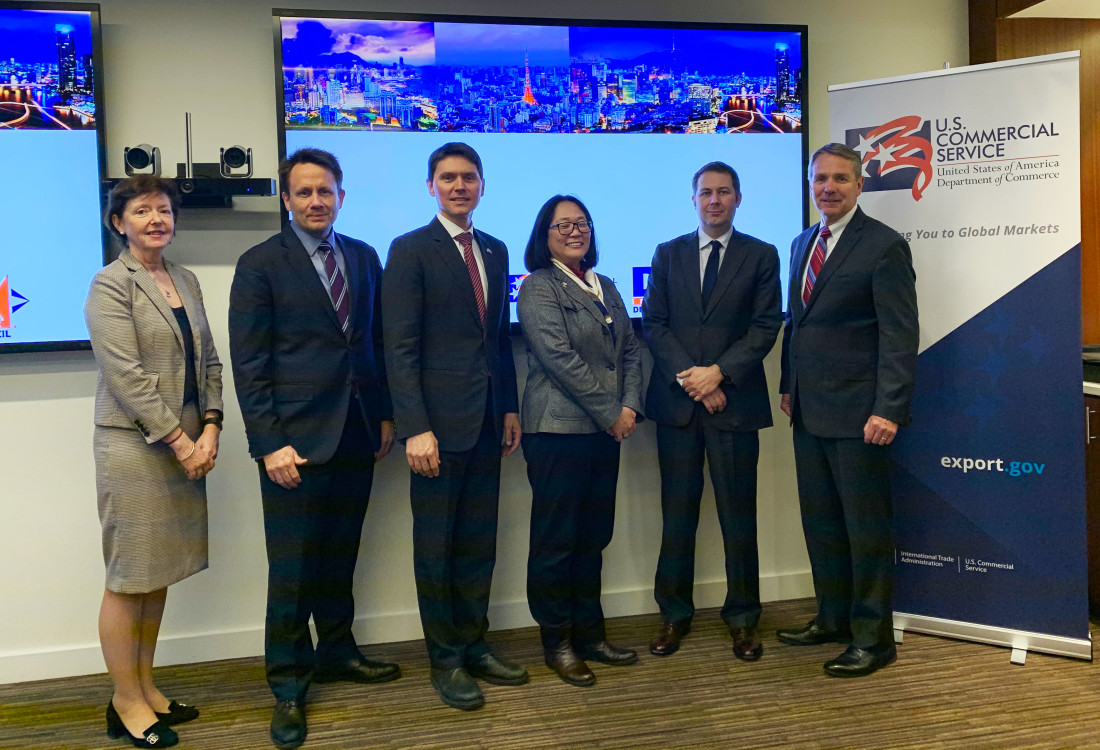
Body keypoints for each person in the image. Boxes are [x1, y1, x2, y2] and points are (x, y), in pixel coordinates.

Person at [229, 148, 398, 749]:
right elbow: (249, 367)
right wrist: (268, 444)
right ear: (286, 199)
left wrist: (383, 417)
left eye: (325, 192)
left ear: (341, 197)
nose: (315, 202)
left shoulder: (363, 256)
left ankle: (338, 651)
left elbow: (372, 343)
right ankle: (288, 684)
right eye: (303, 193)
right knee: (293, 570)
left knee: (341, 554)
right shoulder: (259, 264)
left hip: (356, 432)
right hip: (294, 444)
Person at [382, 142, 526, 711]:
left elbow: (496, 340)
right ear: (431, 187)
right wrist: (415, 426)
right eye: (448, 178)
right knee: (436, 549)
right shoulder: (411, 250)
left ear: (482, 185)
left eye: (468, 178)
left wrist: (510, 405)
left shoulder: (494, 248)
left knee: (478, 546)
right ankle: (445, 659)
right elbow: (400, 347)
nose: (459, 186)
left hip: (488, 423)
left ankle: (474, 644)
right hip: (436, 431)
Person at [85, 176, 222, 749]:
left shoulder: (185, 279)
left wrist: (211, 426)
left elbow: (210, 360)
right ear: (119, 222)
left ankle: (145, 687)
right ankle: (124, 702)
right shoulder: (111, 285)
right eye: (141, 210)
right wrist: (181, 441)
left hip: (187, 442)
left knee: (157, 574)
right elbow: (128, 379)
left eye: (163, 209)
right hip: (135, 448)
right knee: (128, 578)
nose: (155, 219)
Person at [777, 142, 918, 678]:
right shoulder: (802, 243)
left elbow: (900, 335)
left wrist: (890, 409)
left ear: (860, 185)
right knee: (823, 527)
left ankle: (873, 638)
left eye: (840, 179)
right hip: (809, 412)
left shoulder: (883, 247)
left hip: (862, 416)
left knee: (866, 532)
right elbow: (799, 326)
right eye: (820, 180)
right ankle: (832, 619)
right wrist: (790, 385)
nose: (828, 188)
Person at [641, 162, 782, 662]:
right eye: (706, 193)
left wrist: (718, 373)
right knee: (676, 518)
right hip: (680, 408)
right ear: (694, 199)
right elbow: (654, 324)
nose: (714, 201)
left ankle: (743, 619)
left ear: (738, 199)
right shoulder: (667, 253)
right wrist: (694, 380)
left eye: (724, 193)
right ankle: (673, 615)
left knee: (737, 518)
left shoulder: (761, 255)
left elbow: (766, 327)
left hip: (735, 407)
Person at [517, 195, 644, 687]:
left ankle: (591, 635)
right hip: (556, 431)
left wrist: (628, 406)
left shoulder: (605, 284)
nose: (575, 231)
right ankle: (557, 642)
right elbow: (559, 360)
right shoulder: (538, 287)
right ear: (543, 234)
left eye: (582, 223)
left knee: (593, 537)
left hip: (603, 431)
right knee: (557, 541)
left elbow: (630, 350)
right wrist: (613, 411)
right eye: (562, 224)